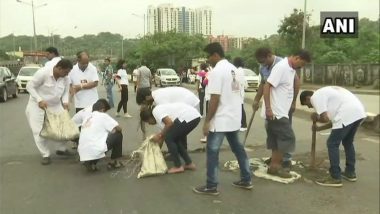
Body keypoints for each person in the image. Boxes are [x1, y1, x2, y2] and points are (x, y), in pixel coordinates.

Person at [193, 42, 252, 196]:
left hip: (220, 120)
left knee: (212, 151)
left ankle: (211, 185)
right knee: (238, 149)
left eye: (208, 56)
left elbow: (215, 98)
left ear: (215, 55)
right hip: (234, 117)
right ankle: (246, 179)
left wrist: (207, 121)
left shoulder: (217, 72)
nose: (208, 60)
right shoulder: (236, 70)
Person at [300, 87, 366, 187]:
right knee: (348, 142)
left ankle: (335, 177)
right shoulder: (327, 94)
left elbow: (325, 118)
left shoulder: (315, 97)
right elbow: (334, 121)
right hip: (358, 112)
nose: (310, 107)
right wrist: (318, 129)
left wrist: (317, 118)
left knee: (332, 143)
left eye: (308, 105)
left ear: (308, 98)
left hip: (347, 113)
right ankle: (350, 172)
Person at [262, 50, 311, 178]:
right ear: (297, 57)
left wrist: (293, 102)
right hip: (276, 112)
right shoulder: (281, 67)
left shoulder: (290, 69)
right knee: (287, 138)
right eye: (302, 63)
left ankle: (274, 166)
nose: (302, 67)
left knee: (277, 140)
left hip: (281, 110)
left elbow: (293, 85)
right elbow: (267, 86)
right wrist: (268, 108)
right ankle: (277, 167)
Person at [253, 47, 300, 168]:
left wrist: (294, 101)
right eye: (260, 62)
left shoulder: (282, 64)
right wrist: (257, 100)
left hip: (283, 105)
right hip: (271, 104)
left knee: (285, 133)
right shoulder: (262, 67)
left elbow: (296, 82)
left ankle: (285, 158)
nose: (262, 64)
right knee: (272, 131)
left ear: (269, 56)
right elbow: (263, 84)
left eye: (263, 61)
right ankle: (275, 158)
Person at [25, 59, 74, 165]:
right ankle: (45, 154)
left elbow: (66, 91)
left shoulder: (65, 77)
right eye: (66, 72)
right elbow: (29, 86)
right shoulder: (43, 73)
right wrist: (39, 99)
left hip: (55, 105)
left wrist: (65, 102)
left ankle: (61, 149)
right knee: (38, 131)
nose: (67, 74)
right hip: (37, 105)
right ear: (59, 68)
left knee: (64, 127)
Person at [140, 103, 201, 173]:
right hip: (193, 117)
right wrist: (155, 154)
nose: (149, 124)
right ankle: (189, 163)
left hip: (189, 116)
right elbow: (162, 138)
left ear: (149, 117)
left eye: (148, 121)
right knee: (174, 139)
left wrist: (159, 135)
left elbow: (169, 123)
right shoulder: (160, 121)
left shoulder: (156, 111)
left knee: (169, 138)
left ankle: (178, 166)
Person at [74, 99, 124, 172]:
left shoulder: (87, 117)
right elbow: (119, 128)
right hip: (95, 149)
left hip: (82, 151)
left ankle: (91, 162)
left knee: (96, 140)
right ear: (102, 109)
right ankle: (115, 162)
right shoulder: (103, 115)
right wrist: (112, 130)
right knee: (118, 135)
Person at [233, 57, 248, 132]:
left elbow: (236, 82)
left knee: (240, 108)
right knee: (240, 108)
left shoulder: (238, 71)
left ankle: (244, 124)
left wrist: (234, 90)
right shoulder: (241, 70)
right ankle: (241, 123)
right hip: (240, 91)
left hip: (238, 92)